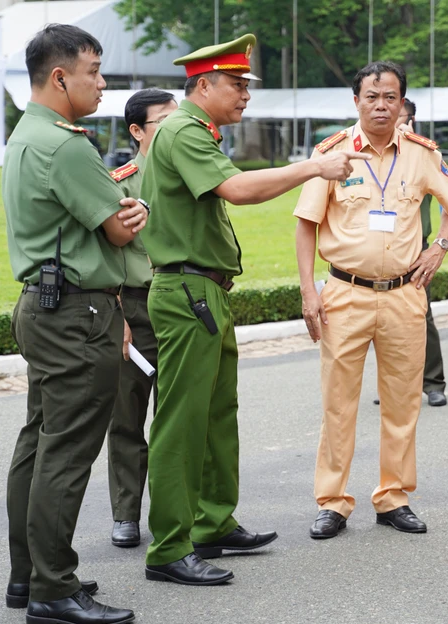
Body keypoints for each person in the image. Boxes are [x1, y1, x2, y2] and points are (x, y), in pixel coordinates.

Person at [140, 33, 366, 585]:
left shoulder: (194, 132)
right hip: (188, 293)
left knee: (216, 418)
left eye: (247, 85)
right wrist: (313, 167)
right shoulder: (184, 130)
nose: (245, 95)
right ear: (203, 85)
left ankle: (212, 524)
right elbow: (238, 190)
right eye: (237, 85)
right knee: (181, 424)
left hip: (205, 292)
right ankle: (170, 548)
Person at [3, 24, 148, 624]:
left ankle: (29, 575)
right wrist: (131, 213)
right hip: (77, 312)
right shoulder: (65, 145)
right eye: (93, 69)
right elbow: (119, 226)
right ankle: (53, 591)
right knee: (65, 452)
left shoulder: (27, 134)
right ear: (60, 76)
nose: (102, 81)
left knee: (38, 442)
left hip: (44, 306)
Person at [294, 61, 448, 540]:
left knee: (402, 403)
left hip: (403, 295)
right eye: (372, 96)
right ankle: (333, 501)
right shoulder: (330, 154)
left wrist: (439, 247)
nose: (381, 105)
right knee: (339, 403)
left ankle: (394, 497)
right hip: (344, 293)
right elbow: (306, 223)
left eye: (390, 97)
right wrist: (310, 292)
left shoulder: (421, 153)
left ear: (402, 103)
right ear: (356, 101)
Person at [105, 88, 178, 549]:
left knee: (178, 416)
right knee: (128, 415)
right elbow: (107, 250)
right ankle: (126, 514)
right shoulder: (123, 182)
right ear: (137, 131)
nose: (175, 127)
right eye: (163, 122)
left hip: (183, 303)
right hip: (136, 303)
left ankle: (176, 512)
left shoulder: (189, 170)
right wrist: (118, 315)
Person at [400, 98, 447, 406]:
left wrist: (438, 246)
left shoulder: (424, 154)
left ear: (412, 119)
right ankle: (393, 384)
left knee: (422, 315)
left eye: (398, 114)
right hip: (380, 250)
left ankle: (433, 382)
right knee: (382, 320)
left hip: (416, 250)